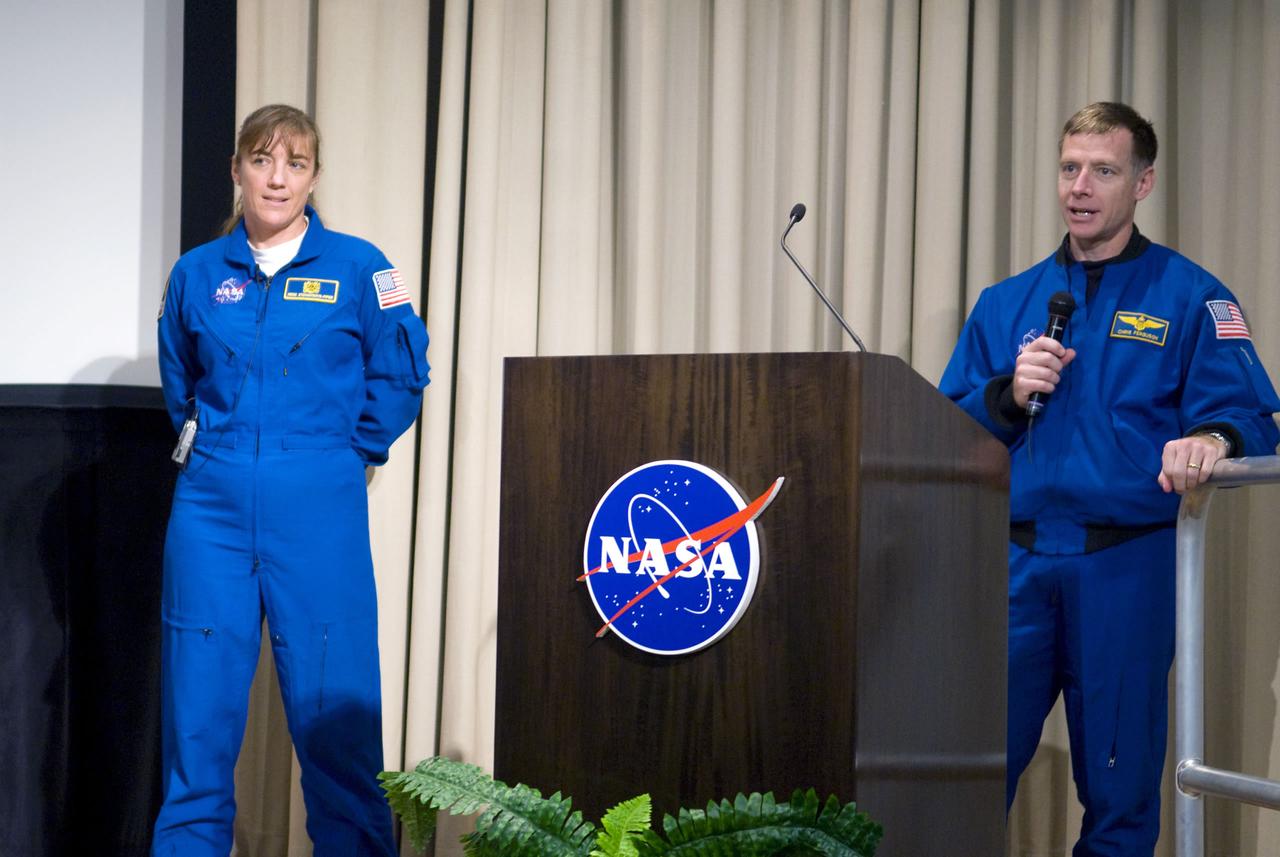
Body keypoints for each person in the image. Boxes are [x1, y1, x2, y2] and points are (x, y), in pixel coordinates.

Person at [940, 102, 1280, 854]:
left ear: (1143, 182)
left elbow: (1253, 416)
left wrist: (1209, 438)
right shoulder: (1006, 303)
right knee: (962, 779)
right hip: (1013, 566)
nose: (1080, 187)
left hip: (1126, 567)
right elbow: (943, 429)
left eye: (1104, 169)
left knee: (1121, 796)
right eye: (1069, 168)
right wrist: (1004, 394)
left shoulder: (1193, 297)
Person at [153, 104, 429, 856]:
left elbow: (404, 373)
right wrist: (229, 451)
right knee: (197, 736)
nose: (278, 178)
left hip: (319, 512)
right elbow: (181, 386)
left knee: (337, 732)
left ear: (314, 176)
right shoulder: (195, 274)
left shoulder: (364, 267)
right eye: (263, 160)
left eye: (296, 163)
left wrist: (346, 454)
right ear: (237, 169)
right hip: (209, 509)